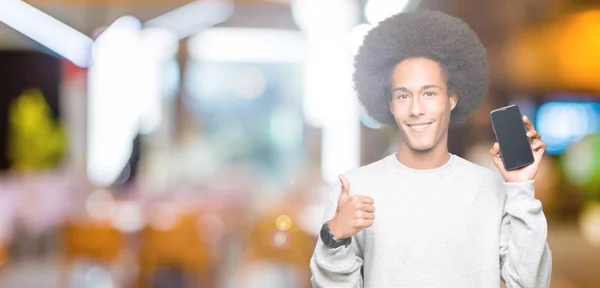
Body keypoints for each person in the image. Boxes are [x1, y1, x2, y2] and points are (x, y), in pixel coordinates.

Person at [309, 10, 552, 288]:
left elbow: (529, 283)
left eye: (429, 93)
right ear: (390, 104)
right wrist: (335, 236)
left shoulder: (492, 189)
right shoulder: (353, 190)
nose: (416, 109)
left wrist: (521, 190)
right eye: (403, 95)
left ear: (451, 98)